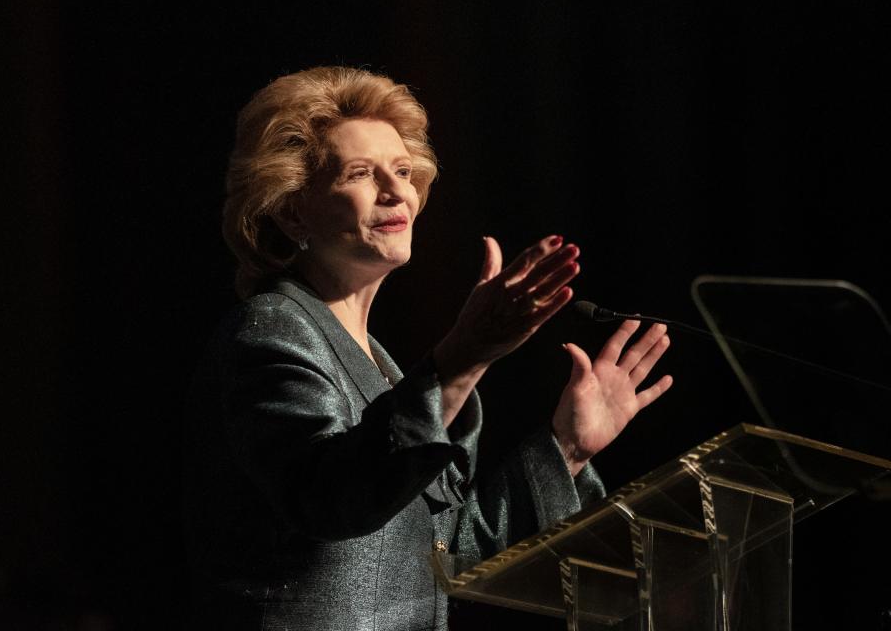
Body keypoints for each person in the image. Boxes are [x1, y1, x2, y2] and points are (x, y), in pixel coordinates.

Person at [184, 66, 673, 630]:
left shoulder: (381, 364)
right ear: (293, 209)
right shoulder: (269, 329)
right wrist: (467, 354)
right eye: (362, 173)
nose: (398, 192)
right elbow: (334, 497)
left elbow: (455, 556)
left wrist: (566, 447)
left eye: (403, 170)